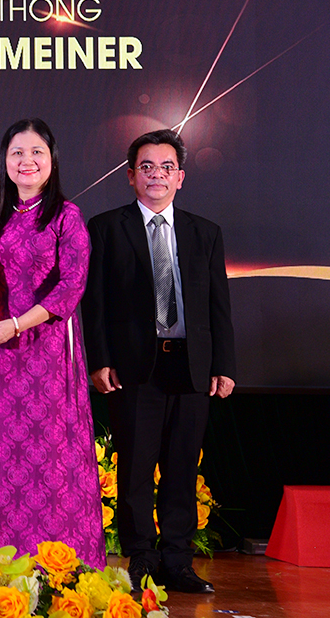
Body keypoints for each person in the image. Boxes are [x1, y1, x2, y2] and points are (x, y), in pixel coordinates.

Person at [0, 119, 106, 570]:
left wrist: (18, 324)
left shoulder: (66, 217)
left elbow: (71, 289)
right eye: (17, 153)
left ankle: (53, 569)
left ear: (52, 162)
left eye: (37, 152)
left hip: (47, 354)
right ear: (5, 162)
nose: (27, 161)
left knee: (48, 461)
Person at [82, 129, 236, 594]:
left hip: (191, 366)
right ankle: (142, 560)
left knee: (182, 467)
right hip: (133, 369)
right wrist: (100, 360)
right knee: (134, 469)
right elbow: (96, 304)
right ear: (131, 177)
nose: (156, 175)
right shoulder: (107, 227)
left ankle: (178, 561)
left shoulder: (204, 232)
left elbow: (218, 305)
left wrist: (224, 364)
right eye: (146, 167)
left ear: (181, 177)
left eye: (166, 167)